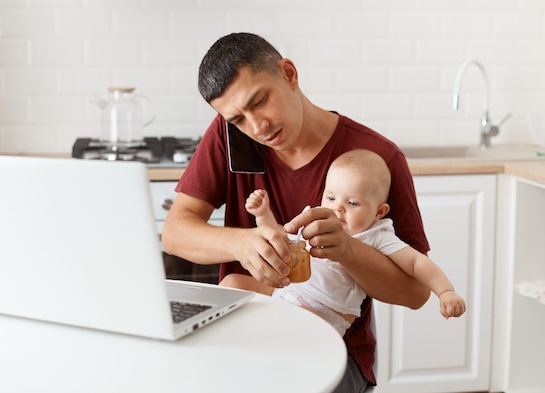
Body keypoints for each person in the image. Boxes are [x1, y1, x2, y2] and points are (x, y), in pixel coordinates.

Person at [161, 32, 431, 392]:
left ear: (288, 74)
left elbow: (416, 293)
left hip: (333, 348)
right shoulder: (232, 137)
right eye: (238, 118)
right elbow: (175, 231)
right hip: (245, 334)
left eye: (259, 102)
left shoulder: (376, 159)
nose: (257, 127)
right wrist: (242, 244)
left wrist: (349, 251)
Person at [220, 149, 466, 338]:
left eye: (353, 203)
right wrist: (263, 214)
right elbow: (280, 239)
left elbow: (417, 263)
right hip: (285, 293)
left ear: (379, 212)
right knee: (231, 283)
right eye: (331, 197)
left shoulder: (375, 235)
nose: (337, 207)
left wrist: (445, 291)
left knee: (282, 332)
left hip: (324, 313)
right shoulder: (316, 218)